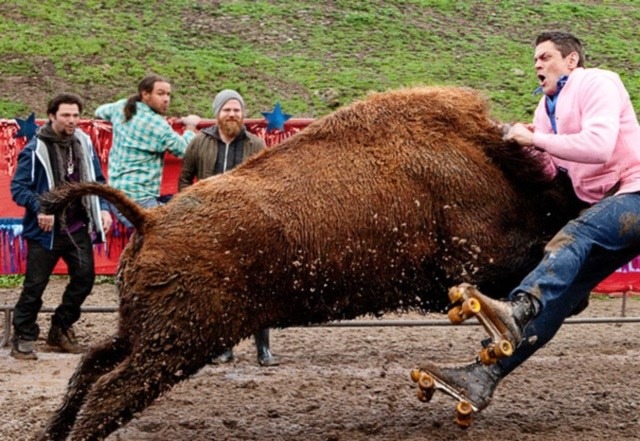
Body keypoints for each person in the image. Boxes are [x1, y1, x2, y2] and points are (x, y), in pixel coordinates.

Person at [419, 31, 640, 411]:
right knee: (560, 300)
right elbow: (555, 166)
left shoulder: (598, 82)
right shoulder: (545, 110)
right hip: (613, 204)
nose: (537, 64)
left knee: (577, 235)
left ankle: (518, 308)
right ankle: (482, 375)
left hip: (633, 191)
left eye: (546, 56)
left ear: (572, 61)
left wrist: (537, 141)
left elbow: (600, 146)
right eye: (535, 59)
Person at [178, 89, 279, 367]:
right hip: (210, 227)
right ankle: (223, 347)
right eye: (227, 110)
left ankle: (263, 349)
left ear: (243, 114)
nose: (232, 114)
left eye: (237, 110)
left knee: (257, 287)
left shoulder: (256, 145)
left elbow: (268, 184)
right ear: (217, 113)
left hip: (246, 226)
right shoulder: (199, 142)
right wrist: (190, 213)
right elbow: (185, 180)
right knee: (217, 289)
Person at [10, 93, 113, 360]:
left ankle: (60, 327)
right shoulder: (35, 149)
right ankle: (24, 335)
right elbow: (18, 188)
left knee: (85, 278)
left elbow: (98, 180)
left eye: (76, 115)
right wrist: (41, 207)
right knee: (35, 285)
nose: (72, 120)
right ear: (52, 115)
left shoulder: (84, 142)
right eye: (66, 115)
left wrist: (103, 208)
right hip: (45, 232)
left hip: (77, 226)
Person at [95, 74, 201, 226]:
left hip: (116, 194)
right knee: (173, 231)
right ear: (145, 94)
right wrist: (190, 126)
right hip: (139, 199)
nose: (166, 99)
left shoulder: (121, 107)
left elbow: (100, 110)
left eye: (168, 94)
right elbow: (185, 149)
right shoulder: (156, 124)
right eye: (160, 94)